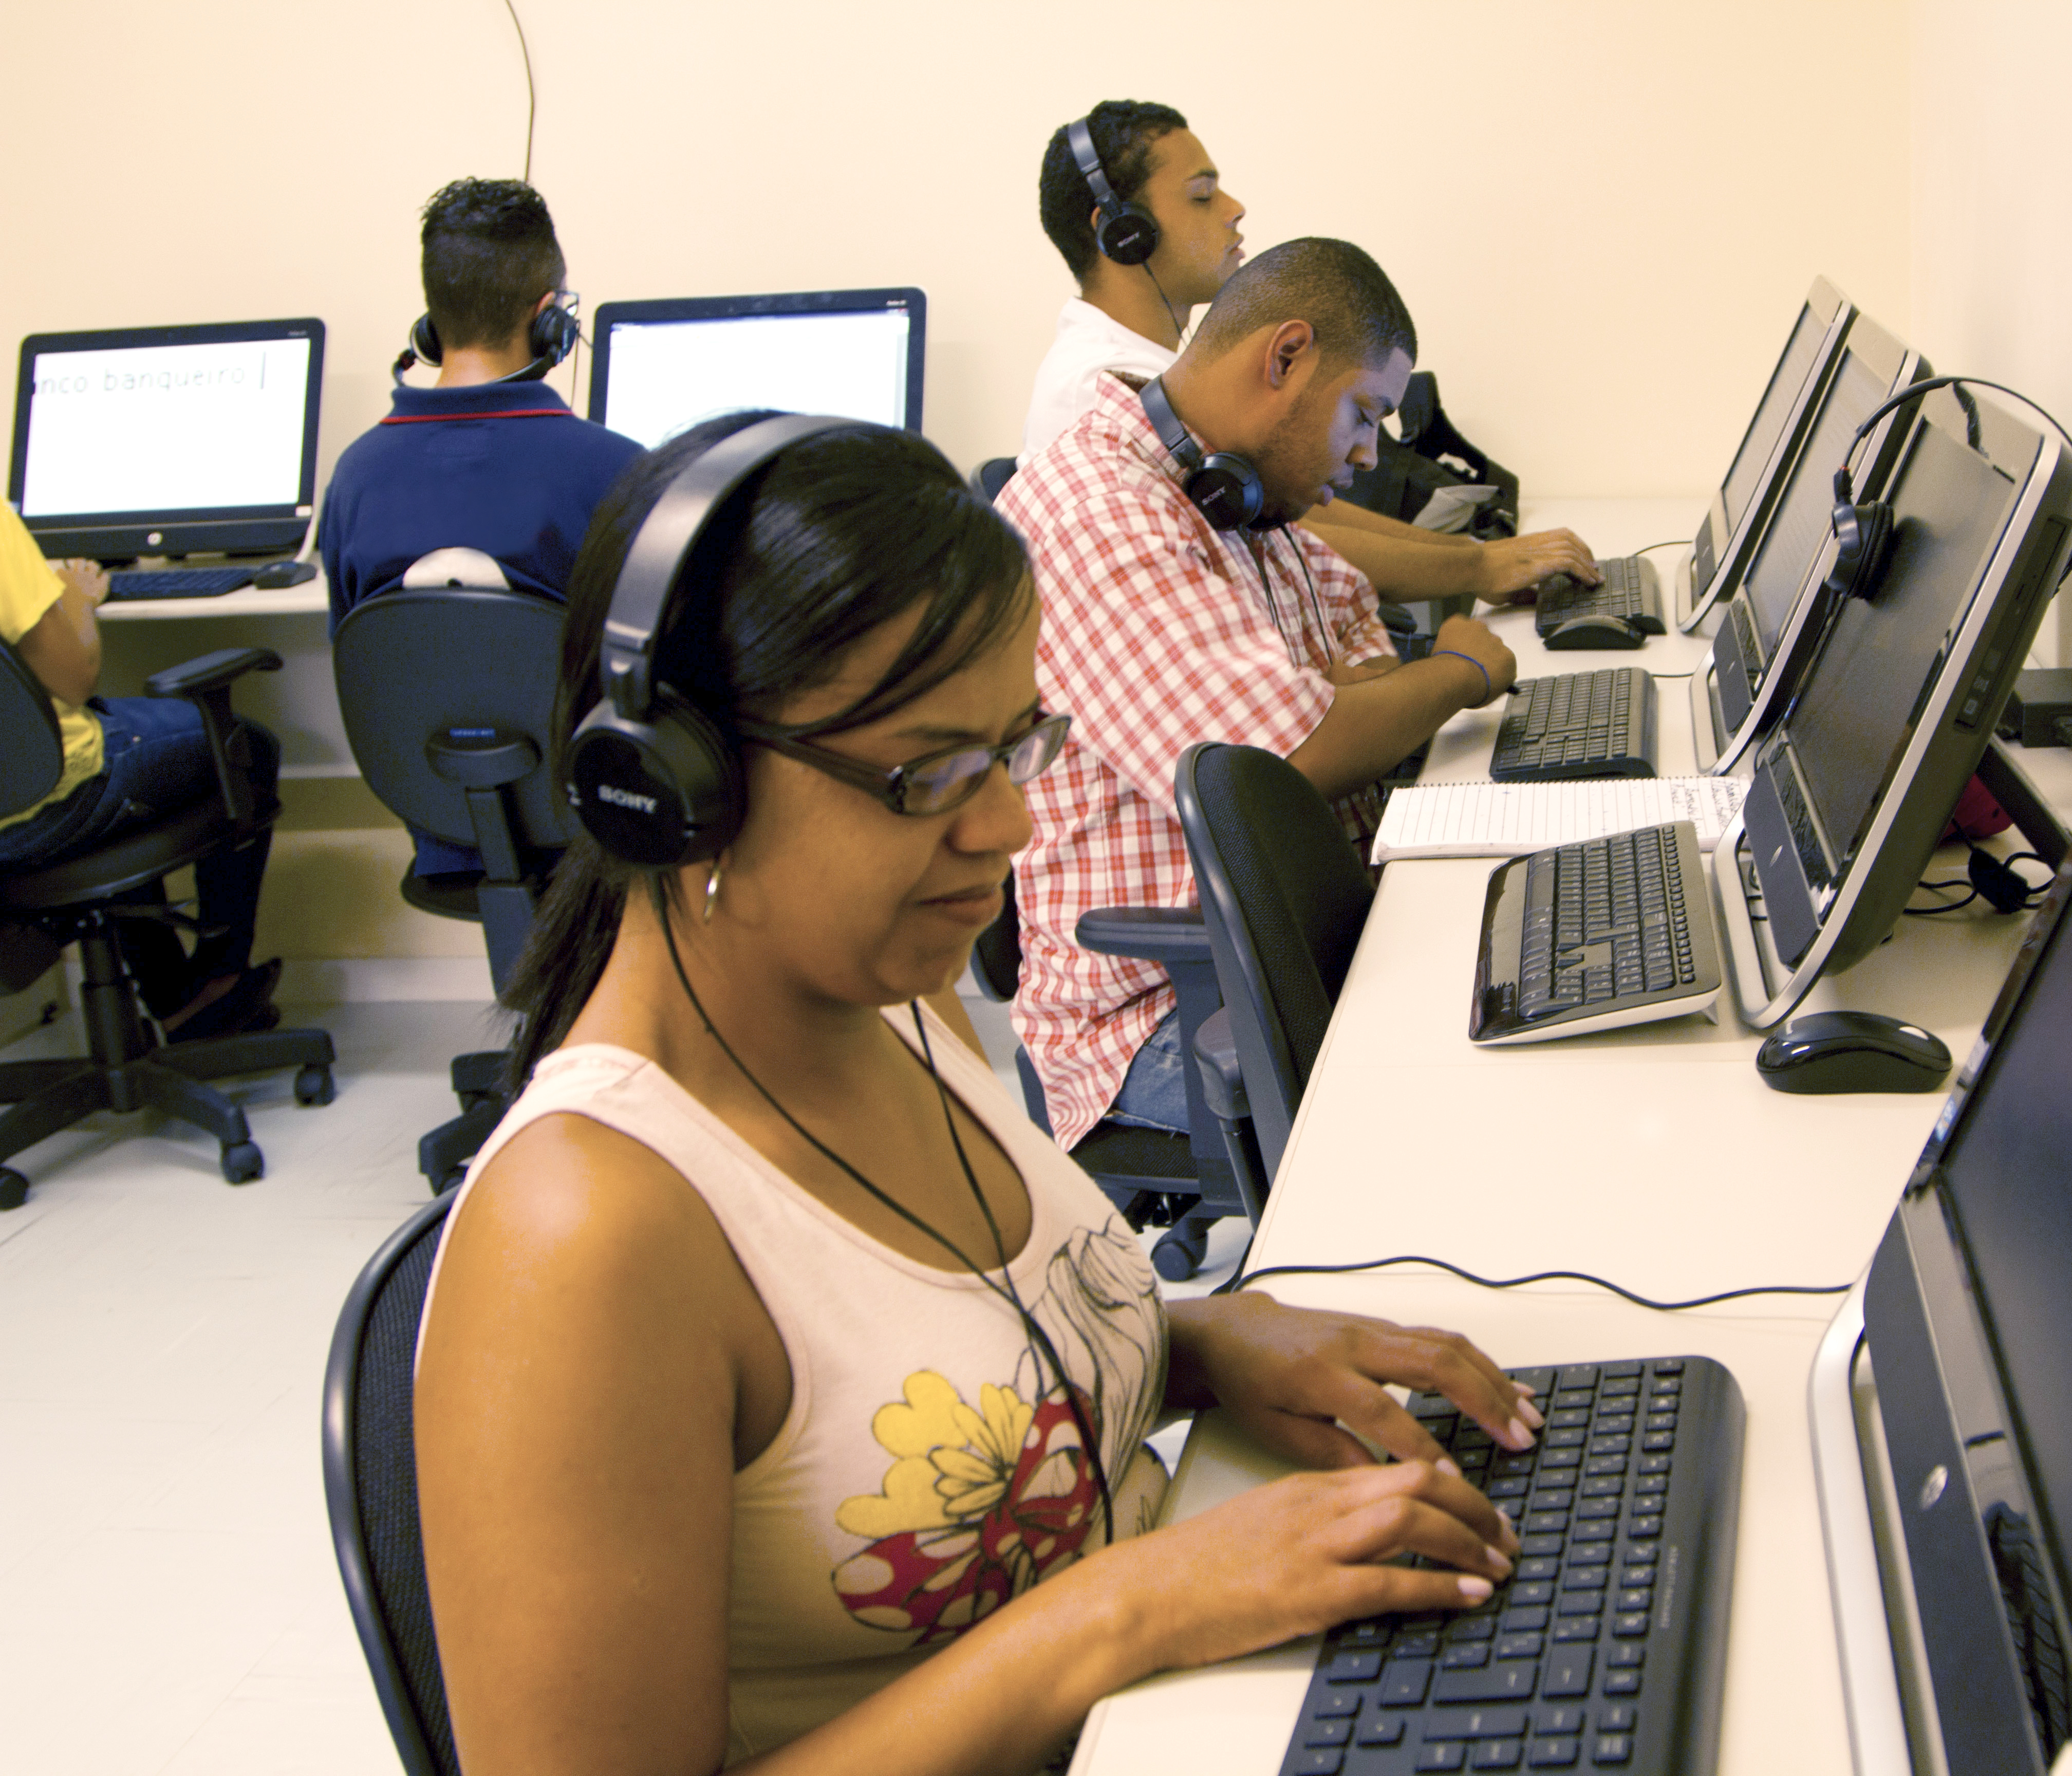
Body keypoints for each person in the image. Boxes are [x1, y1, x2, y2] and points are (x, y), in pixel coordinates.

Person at [416, 413, 1539, 1773]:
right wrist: (1134, 1606)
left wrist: (1199, 1346)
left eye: (1015, 747)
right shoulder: (585, 1231)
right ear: (676, 786)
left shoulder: (889, 995)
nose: (1007, 825)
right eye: (932, 774)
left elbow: (906, 1383)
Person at [999, 237, 1517, 1148]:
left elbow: (1359, 656)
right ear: (1283, 357)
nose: (1365, 457)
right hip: (1169, 1010)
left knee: (1527, 963)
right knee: (1472, 1098)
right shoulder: (1100, 510)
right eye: (1362, 414)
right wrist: (1463, 672)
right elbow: (1289, 756)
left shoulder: (1233, 494)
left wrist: (1352, 700)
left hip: (1299, 927)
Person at [1027, 101, 1598, 602]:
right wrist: (1478, 567)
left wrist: (1484, 559)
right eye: (1202, 196)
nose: (1234, 207)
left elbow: (1304, 520)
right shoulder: (1101, 390)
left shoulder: (1163, 367)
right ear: (1124, 233)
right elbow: (1291, 540)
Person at [316, 177, 644, 874]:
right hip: (599, 822)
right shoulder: (613, 470)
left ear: (431, 327)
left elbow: (362, 652)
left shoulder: (355, 476)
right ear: (551, 317)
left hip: (440, 816)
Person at [0, 508, 282, 1038]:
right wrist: (77, 598)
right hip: (52, 802)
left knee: (130, 762)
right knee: (246, 750)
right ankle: (216, 982)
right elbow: (73, 675)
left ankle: (175, 994)